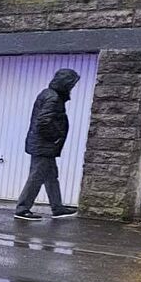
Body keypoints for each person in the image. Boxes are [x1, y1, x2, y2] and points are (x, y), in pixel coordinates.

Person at [14, 68, 81, 221]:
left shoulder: (48, 94)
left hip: (42, 145)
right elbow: (43, 122)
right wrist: (55, 137)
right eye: (71, 84)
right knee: (36, 177)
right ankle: (22, 209)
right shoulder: (53, 98)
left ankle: (57, 208)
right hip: (43, 146)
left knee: (51, 177)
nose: (72, 88)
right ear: (65, 84)